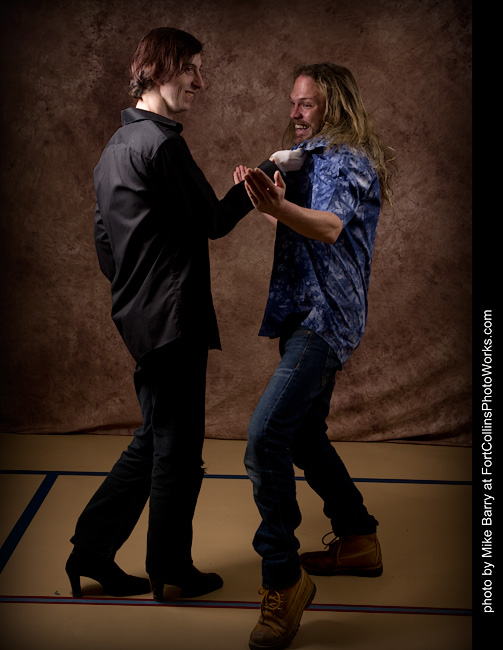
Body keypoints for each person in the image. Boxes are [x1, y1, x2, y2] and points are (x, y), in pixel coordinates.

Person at [65, 27, 278, 602]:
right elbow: (212, 221)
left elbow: (105, 247)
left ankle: (91, 551)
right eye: (191, 69)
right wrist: (267, 170)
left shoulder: (115, 147)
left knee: (157, 437)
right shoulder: (161, 146)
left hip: (141, 319)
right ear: (160, 70)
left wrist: (137, 292)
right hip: (173, 319)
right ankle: (170, 568)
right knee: (178, 450)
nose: (200, 83)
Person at [237, 63, 394, 650]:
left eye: (306, 104)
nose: (295, 113)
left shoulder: (347, 160)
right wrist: (269, 194)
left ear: (335, 106)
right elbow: (301, 215)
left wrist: (277, 208)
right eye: (294, 102)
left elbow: (328, 228)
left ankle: (284, 581)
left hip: (324, 321)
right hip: (302, 312)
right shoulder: (310, 157)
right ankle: (358, 538)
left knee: (265, 437)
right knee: (303, 435)